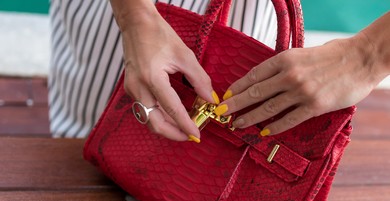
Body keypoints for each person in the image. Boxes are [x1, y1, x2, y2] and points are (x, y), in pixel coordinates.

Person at [49, 0, 390, 141]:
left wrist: (369, 55)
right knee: (88, 141)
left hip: (247, 26)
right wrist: (133, 15)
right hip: (122, 17)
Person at [48, 0, 277, 138]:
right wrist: (134, 18)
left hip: (254, 16)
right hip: (135, 11)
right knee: (93, 128)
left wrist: (316, 60)